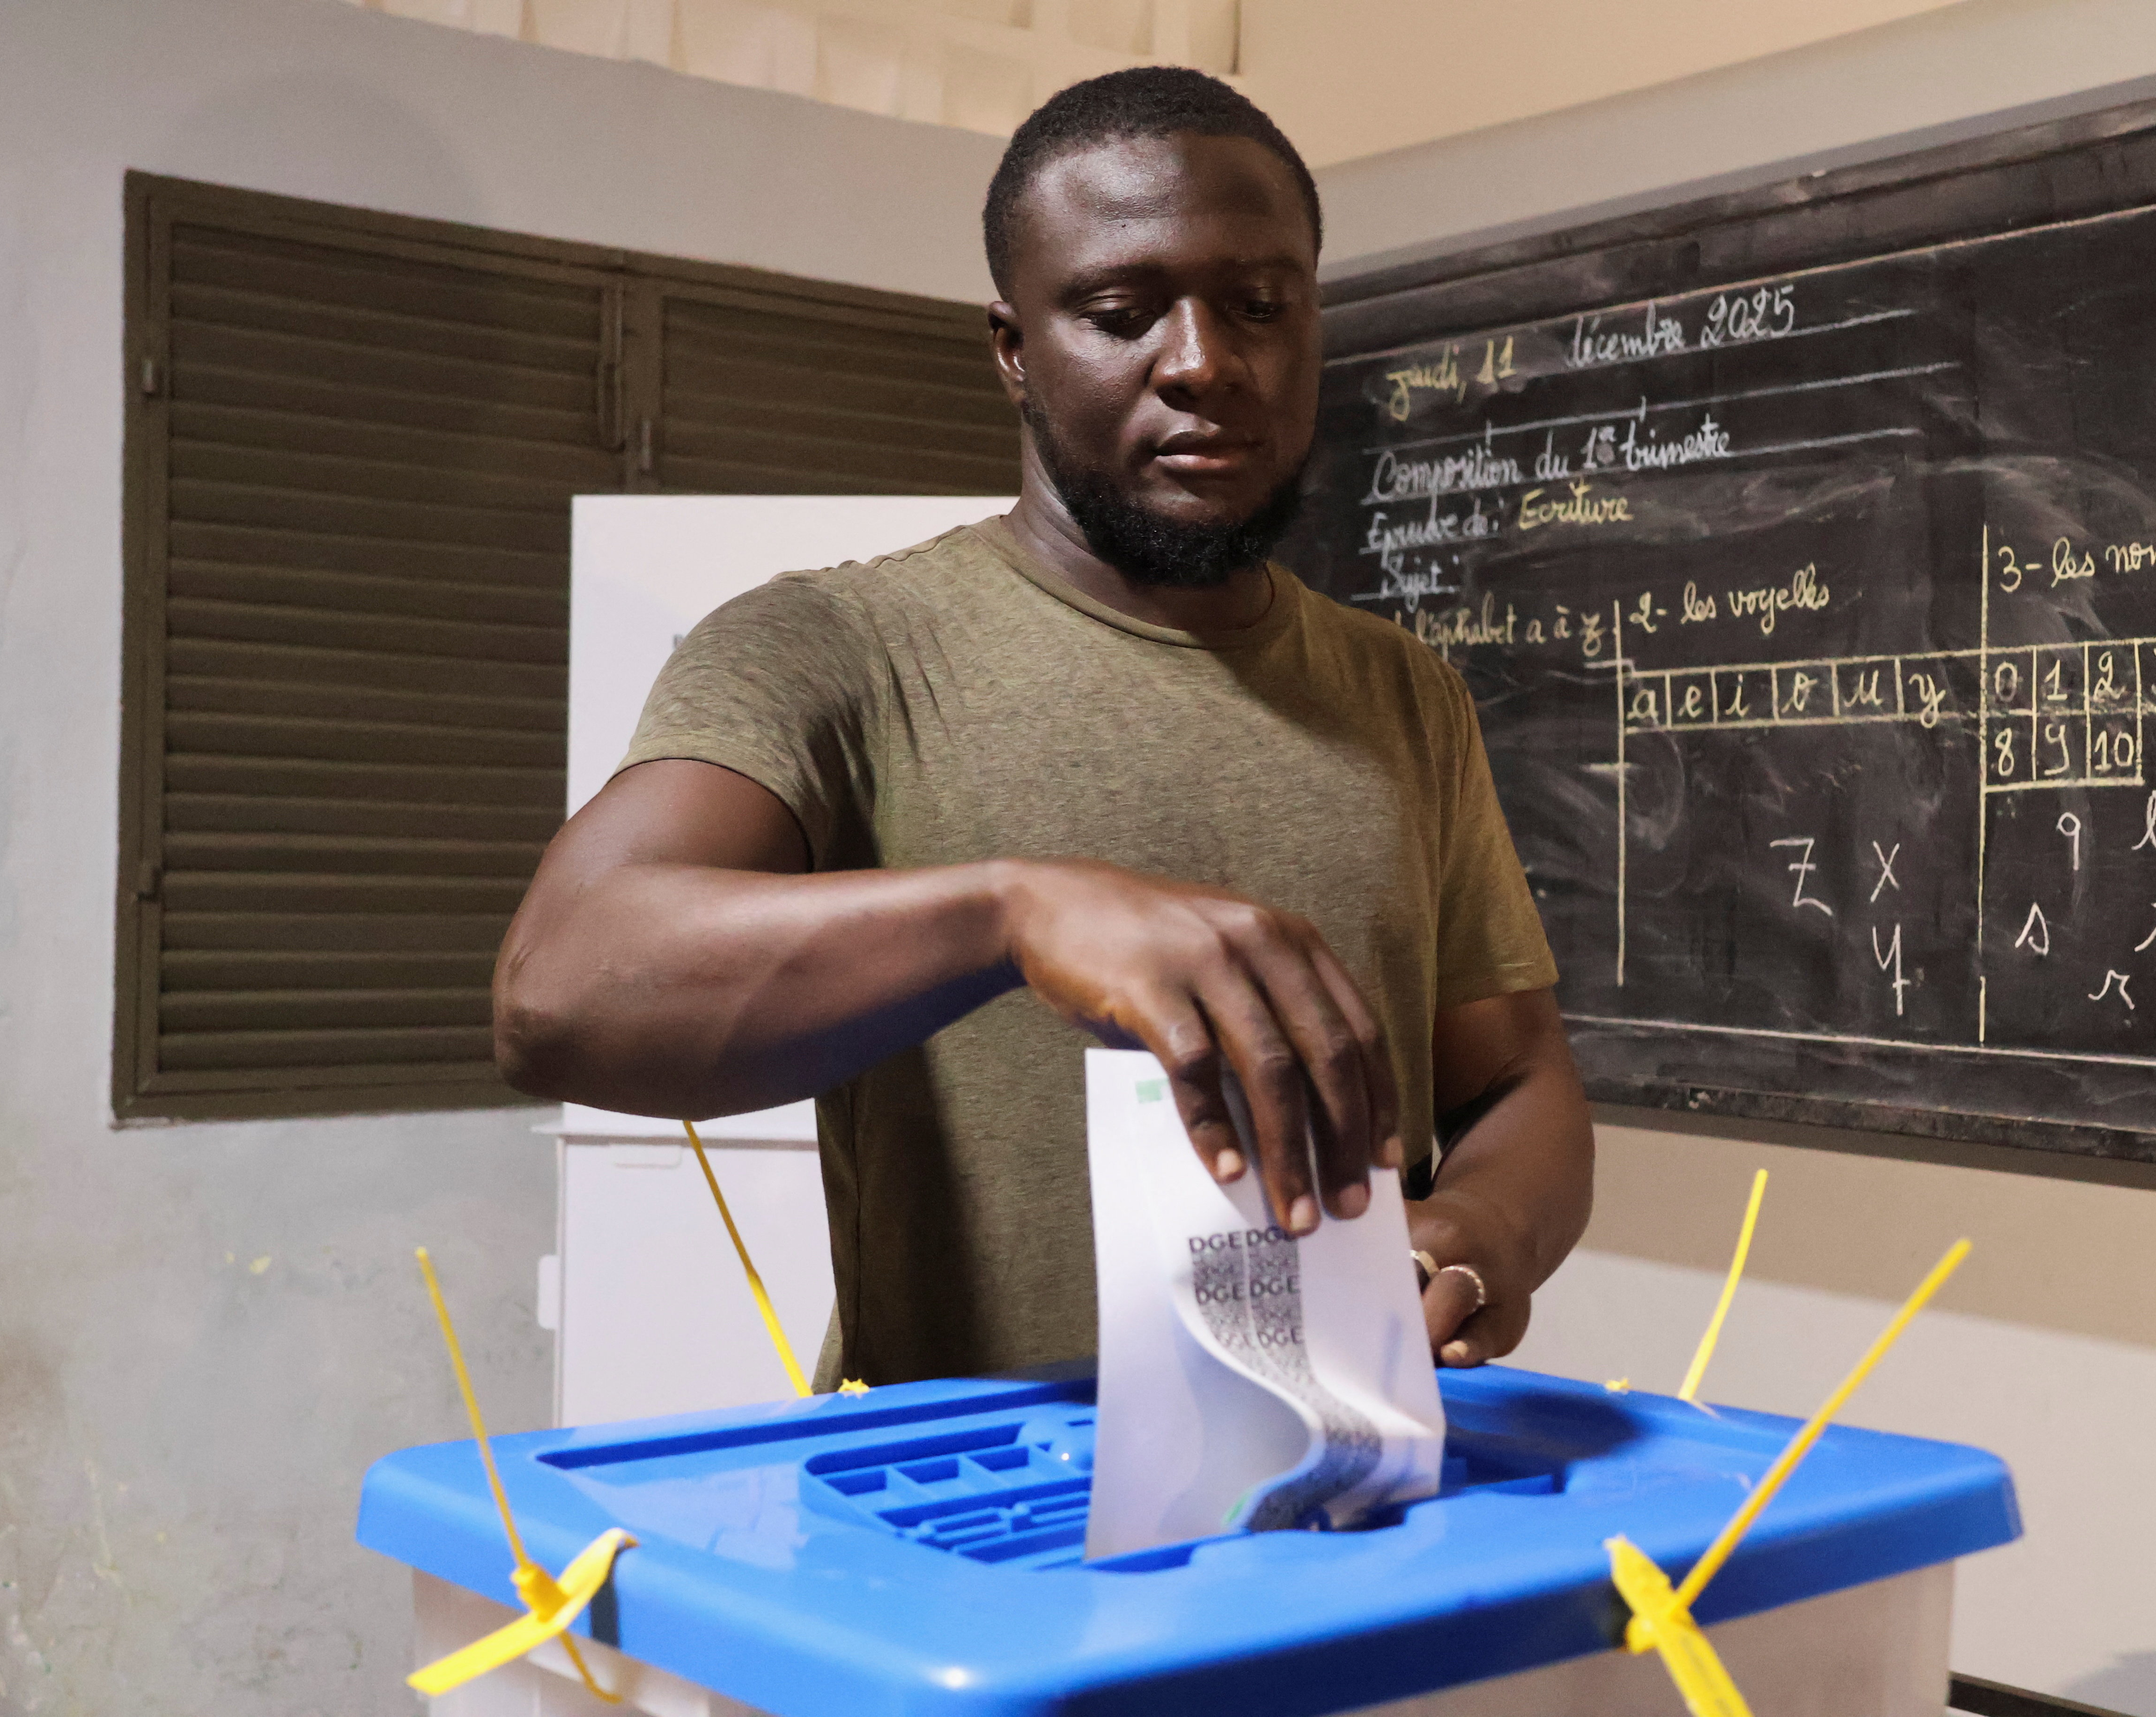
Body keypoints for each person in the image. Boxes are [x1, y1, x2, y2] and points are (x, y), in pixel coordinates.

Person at [493, 66, 1594, 1391]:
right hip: (970, 1527)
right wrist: (1011, 917)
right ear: (1014, 350)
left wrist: (1480, 1237)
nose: (1202, 363)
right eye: (1122, 313)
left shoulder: (1402, 694)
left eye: (1258, 306)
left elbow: (1516, 1081)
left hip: (1343, 1489)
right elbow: (557, 990)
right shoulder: (839, 650)